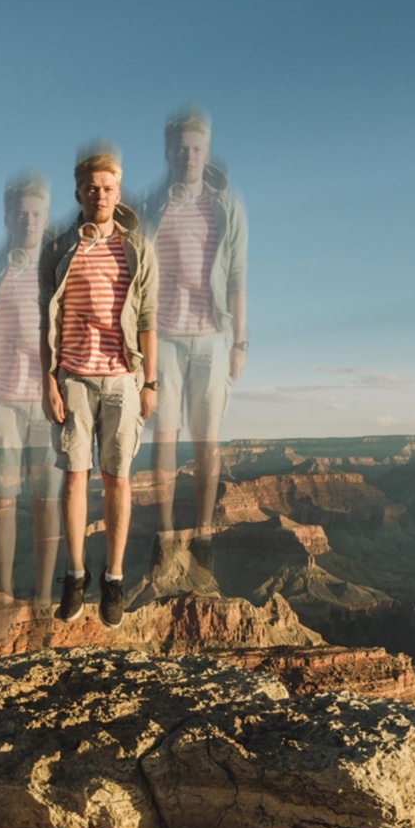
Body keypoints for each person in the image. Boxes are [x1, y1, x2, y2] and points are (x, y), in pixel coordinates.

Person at [42, 144, 157, 626]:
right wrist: (47, 379)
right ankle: (74, 575)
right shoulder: (59, 248)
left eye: (109, 187)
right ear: (79, 193)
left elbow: (149, 319)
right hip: (72, 377)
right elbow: (45, 316)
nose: (100, 194)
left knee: (117, 478)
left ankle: (113, 578)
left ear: (118, 191)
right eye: (92, 187)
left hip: (123, 379)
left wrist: (152, 381)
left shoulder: (136, 247)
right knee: (74, 477)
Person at [138, 107, 246, 561]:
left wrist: (240, 342)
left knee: (207, 439)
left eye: (197, 147)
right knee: (165, 435)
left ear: (206, 151)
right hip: (162, 337)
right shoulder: (150, 207)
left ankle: (202, 533)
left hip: (210, 338)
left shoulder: (226, 207)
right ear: (168, 151)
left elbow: (237, 276)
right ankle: (165, 536)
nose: (189, 155)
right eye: (181, 148)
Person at [0, 172, 62, 617]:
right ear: (7, 216)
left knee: (46, 503)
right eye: (21, 214)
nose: (29, 221)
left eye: (37, 214)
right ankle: (5, 593)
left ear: (46, 217)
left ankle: (43, 594)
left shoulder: (58, 267)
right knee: (4, 502)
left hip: (48, 405)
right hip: (2, 402)